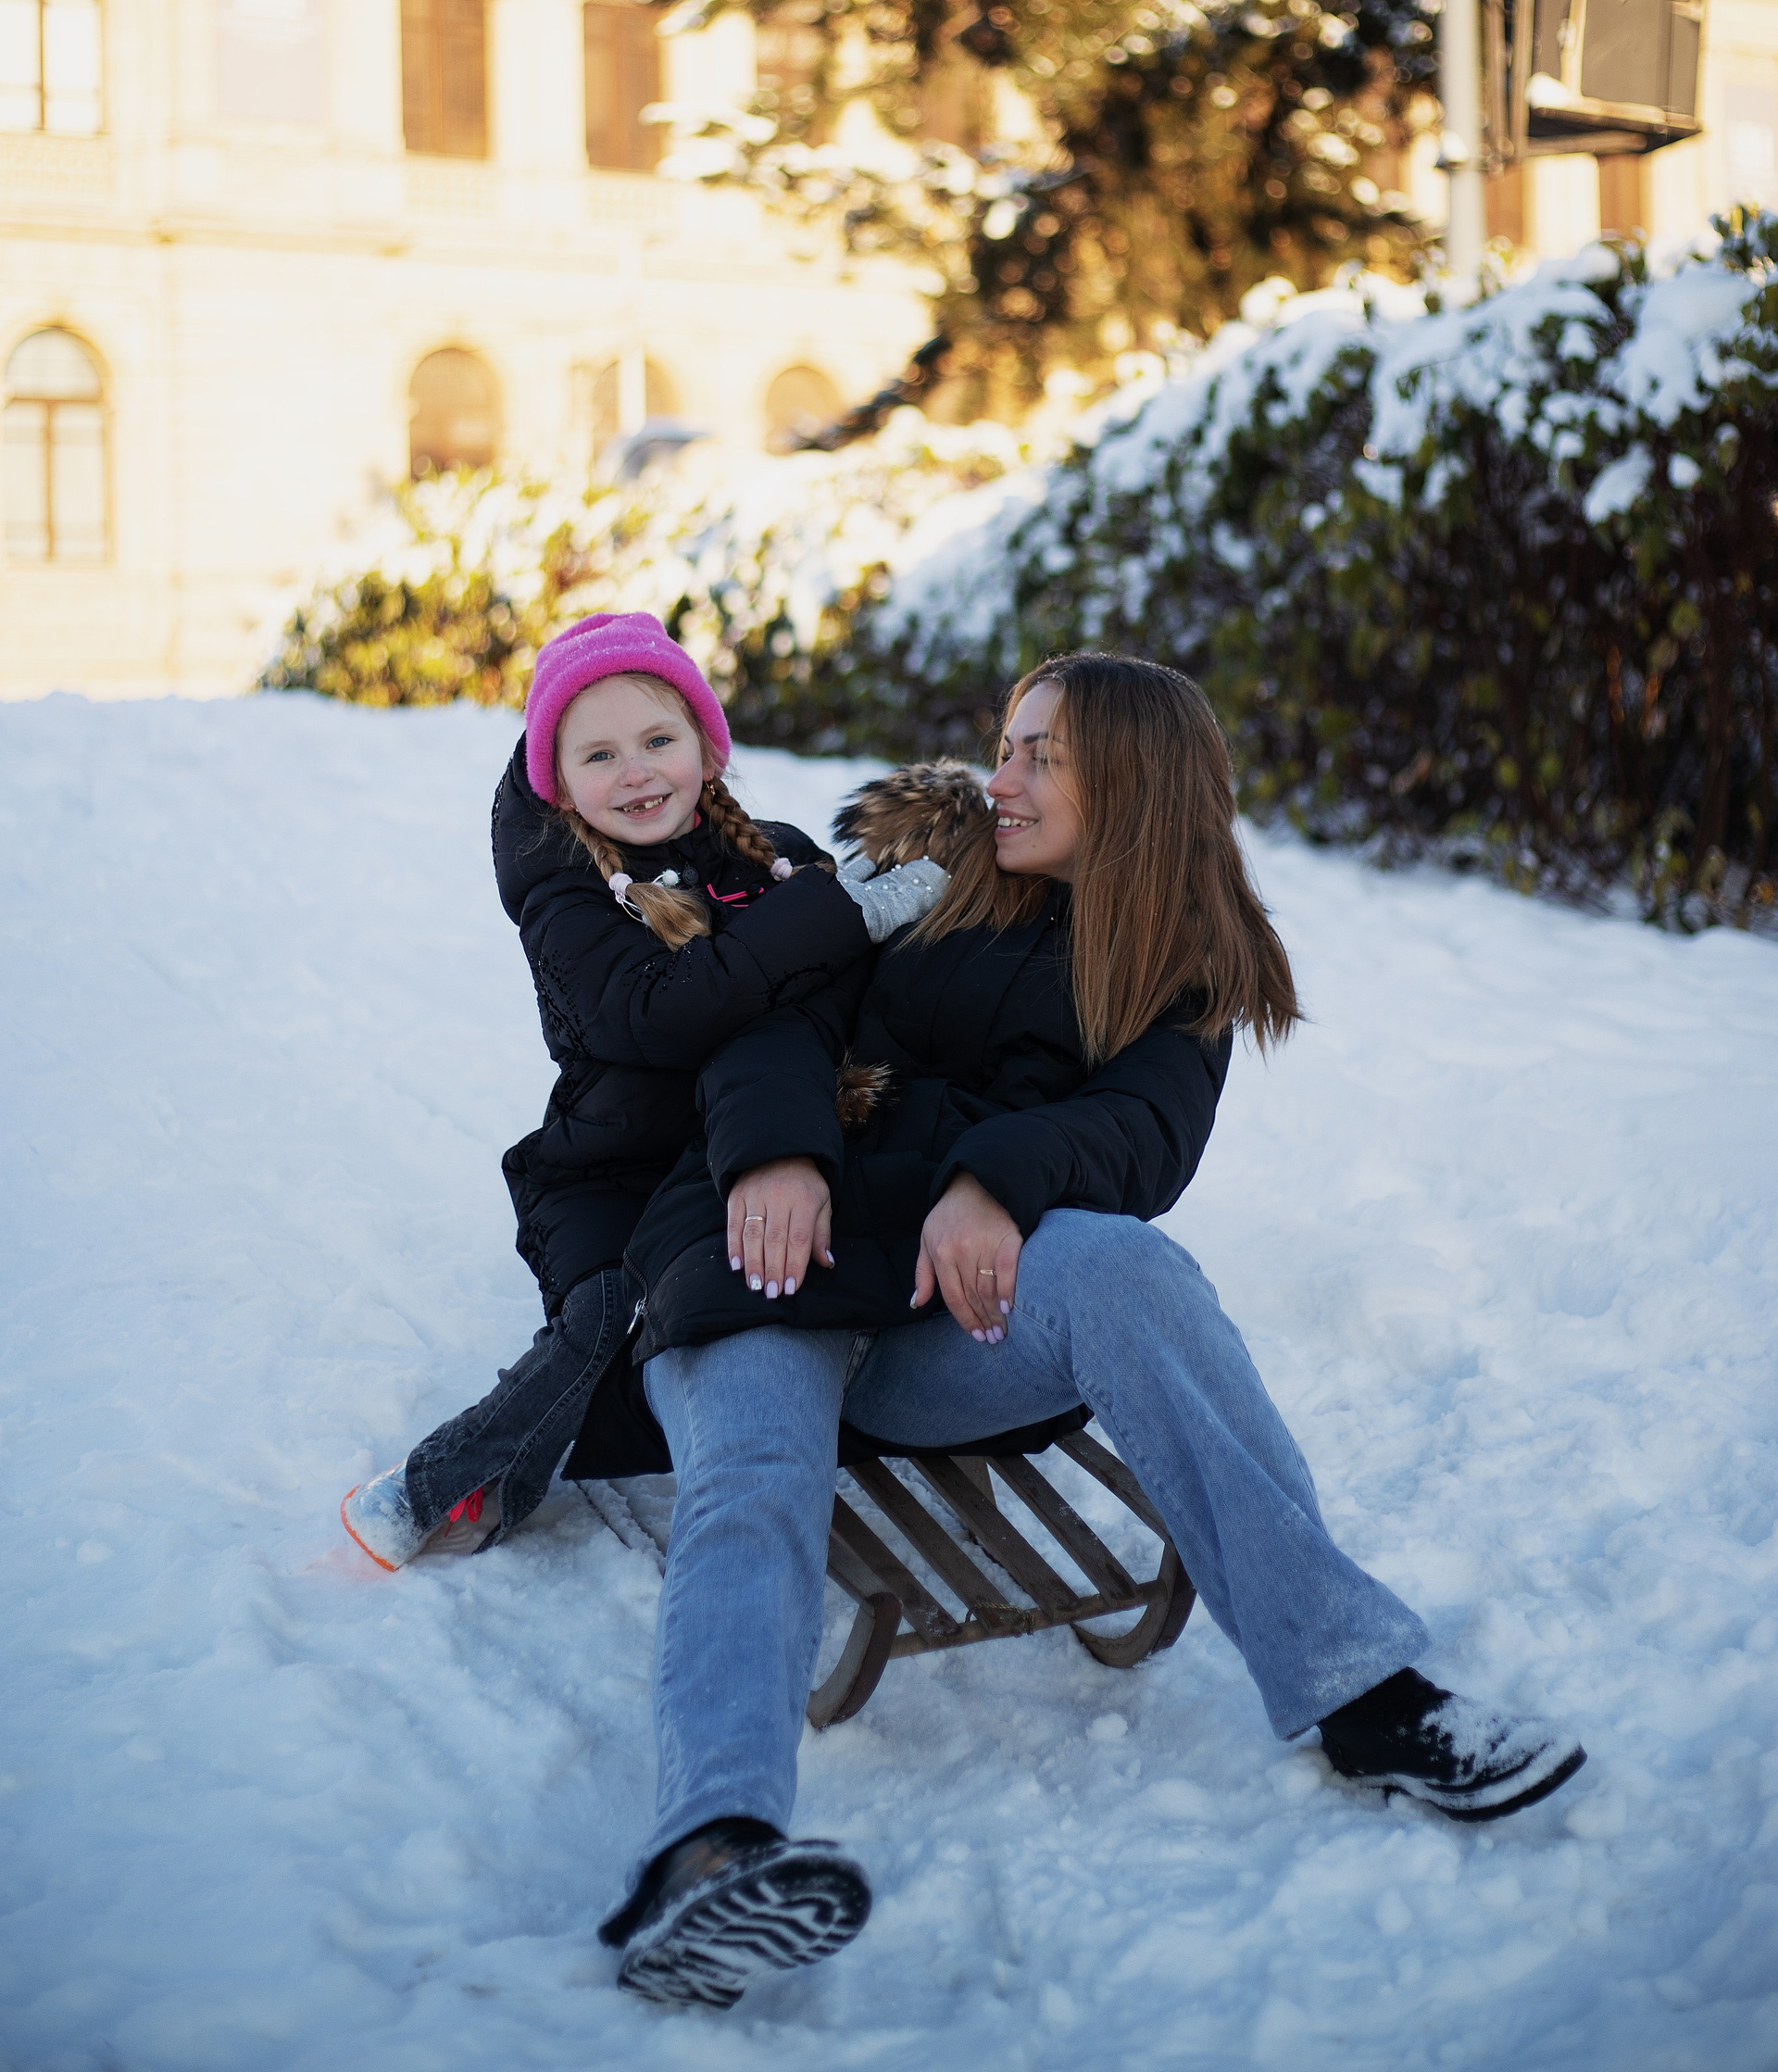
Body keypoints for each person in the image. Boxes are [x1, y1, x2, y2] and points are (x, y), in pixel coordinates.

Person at [588, 654, 1586, 2010]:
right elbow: (772, 1017)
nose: (999, 779)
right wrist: (777, 1153)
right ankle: (708, 1850)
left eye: (1039, 757)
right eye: (1005, 746)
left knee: (1126, 1265)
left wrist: (994, 1180)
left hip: (939, 1319)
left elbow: (1141, 1134)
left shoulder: (1183, 963)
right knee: (757, 1468)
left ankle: (1364, 1694)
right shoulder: (921, 875)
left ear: (1132, 782)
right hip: (771, 1252)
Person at [339, 609, 946, 1570]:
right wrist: (828, 918)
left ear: (706, 748)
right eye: (601, 755)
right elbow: (659, 1014)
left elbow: (829, 1007)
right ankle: (436, 1484)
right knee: (602, 1324)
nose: (636, 773)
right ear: (560, 781)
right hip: (610, 1169)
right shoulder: (568, 901)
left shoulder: (776, 859)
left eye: (659, 741)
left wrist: (863, 910)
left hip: (726, 1159)